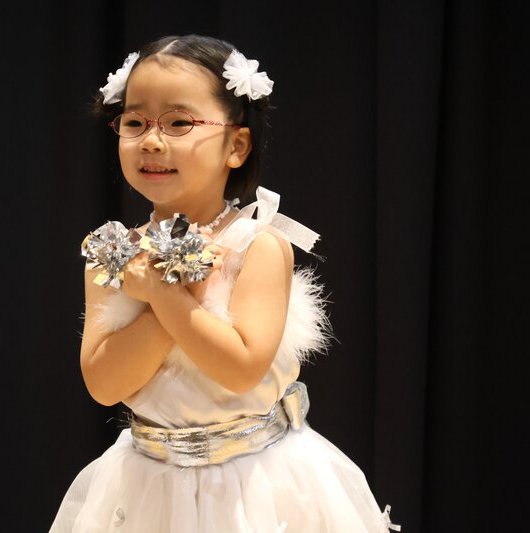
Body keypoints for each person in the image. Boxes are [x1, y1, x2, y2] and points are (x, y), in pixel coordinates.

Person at [51, 34, 399, 532]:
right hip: (147, 486)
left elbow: (240, 370)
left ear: (236, 145)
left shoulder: (257, 246)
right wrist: (167, 294)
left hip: (253, 484)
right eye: (134, 122)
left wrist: (164, 294)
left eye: (178, 123)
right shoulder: (116, 253)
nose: (152, 140)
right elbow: (105, 385)